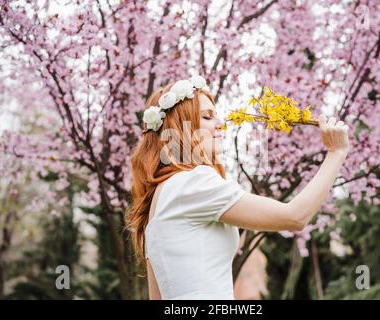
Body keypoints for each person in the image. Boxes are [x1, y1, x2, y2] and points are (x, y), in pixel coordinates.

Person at [125, 75, 350, 300]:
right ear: (180, 127)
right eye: (207, 116)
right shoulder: (194, 181)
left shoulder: (157, 199)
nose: (219, 124)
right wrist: (336, 153)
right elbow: (294, 217)